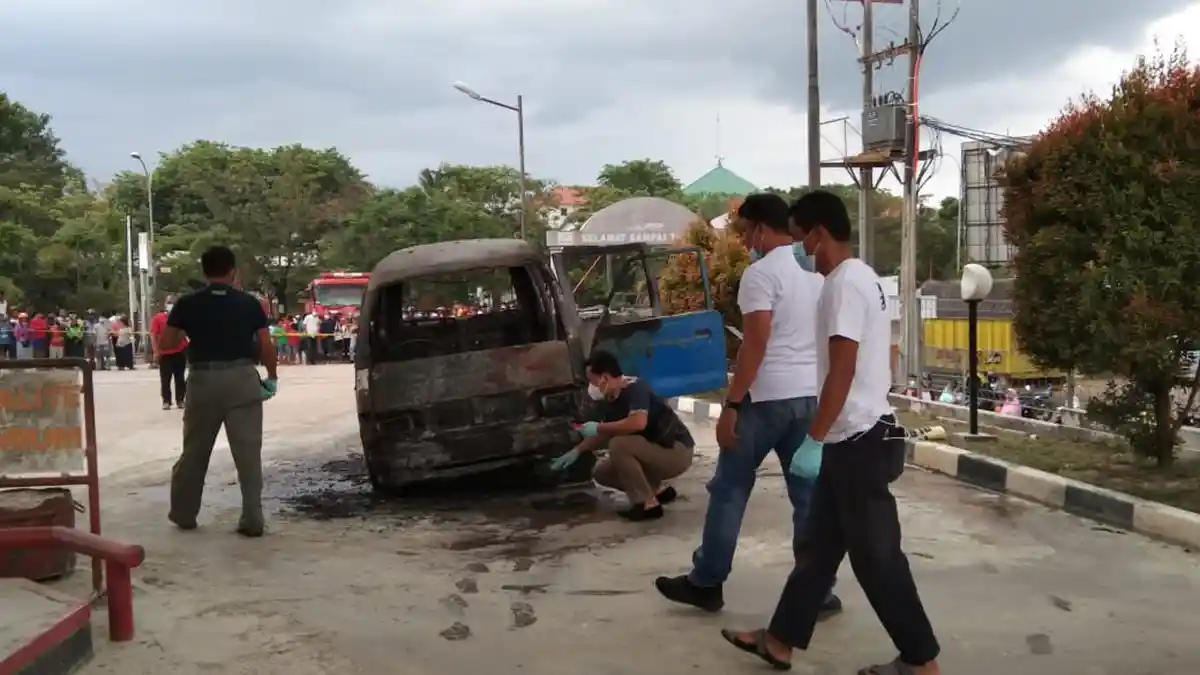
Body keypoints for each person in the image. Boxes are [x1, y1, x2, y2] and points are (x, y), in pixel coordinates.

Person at [721, 190, 939, 674]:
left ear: (818, 234)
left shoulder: (841, 285)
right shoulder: (866, 279)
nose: (798, 251)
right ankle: (779, 641)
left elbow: (841, 369)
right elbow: (880, 356)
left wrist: (814, 439)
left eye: (800, 240)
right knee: (817, 552)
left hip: (855, 440)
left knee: (878, 559)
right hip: (857, 434)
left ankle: (921, 662)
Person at [655, 193, 841, 616]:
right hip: (808, 397)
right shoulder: (816, 274)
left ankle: (707, 582)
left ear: (759, 228)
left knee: (730, 491)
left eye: (744, 232)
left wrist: (732, 404)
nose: (744, 241)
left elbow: (755, 342)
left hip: (764, 400)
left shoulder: (760, 275)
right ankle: (818, 590)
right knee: (808, 498)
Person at [157, 245, 277, 537]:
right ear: (233, 271)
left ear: (203, 271)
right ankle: (252, 518)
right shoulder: (249, 304)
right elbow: (265, 345)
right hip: (241, 379)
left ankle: (184, 513)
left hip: (203, 380)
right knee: (248, 453)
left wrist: (192, 331)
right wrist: (271, 376)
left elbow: (166, 342)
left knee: (195, 451)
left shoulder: (187, 303)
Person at [549, 350, 694, 521]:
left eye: (592, 381)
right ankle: (657, 491)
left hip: (676, 451)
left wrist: (599, 427)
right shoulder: (612, 399)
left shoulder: (635, 388)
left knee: (619, 445)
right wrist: (577, 451)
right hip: (654, 450)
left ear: (605, 377)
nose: (591, 387)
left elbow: (638, 422)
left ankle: (647, 505)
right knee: (601, 472)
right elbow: (605, 431)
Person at [151, 296, 189, 410]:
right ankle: (166, 401)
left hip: (179, 351)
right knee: (165, 379)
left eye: (173, 302)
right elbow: (154, 335)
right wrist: (156, 351)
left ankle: (180, 400)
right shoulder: (158, 318)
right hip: (165, 353)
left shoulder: (181, 317)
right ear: (165, 304)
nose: (171, 304)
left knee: (180, 378)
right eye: (169, 302)